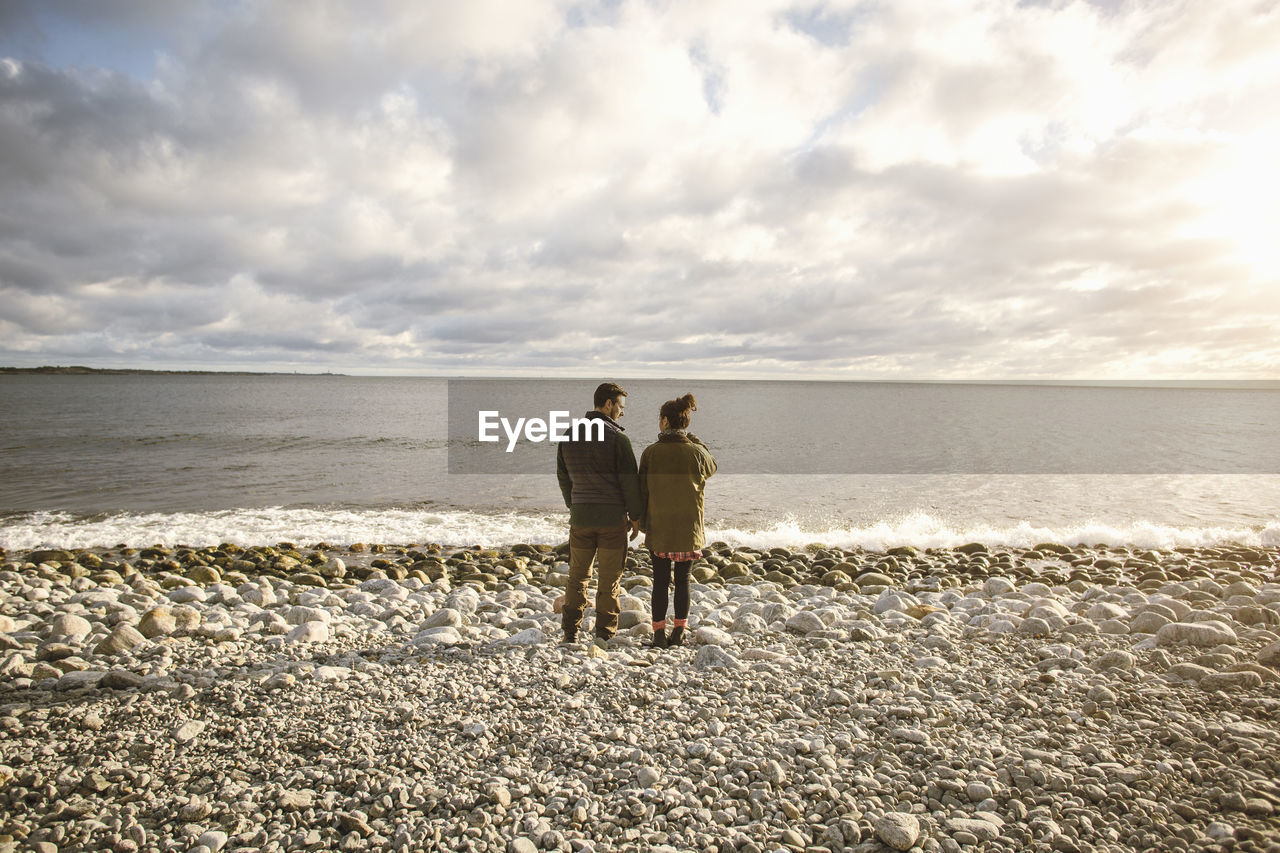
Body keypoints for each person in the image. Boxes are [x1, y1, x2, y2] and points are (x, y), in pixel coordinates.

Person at [556, 382, 644, 646]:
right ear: (608, 404)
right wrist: (636, 517)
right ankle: (604, 633)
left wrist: (574, 506)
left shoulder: (569, 435)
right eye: (620, 406)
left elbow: (563, 478)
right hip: (611, 520)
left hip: (581, 518)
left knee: (577, 577)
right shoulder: (618, 439)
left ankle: (570, 632)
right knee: (608, 579)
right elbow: (630, 482)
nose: (622, 412)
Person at [638, 393, 716, 648]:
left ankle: (659, 634)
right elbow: (712, 466)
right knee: (683, 581)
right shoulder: (696, 452)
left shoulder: (651, 453)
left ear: (663, 422)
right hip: (689, 528)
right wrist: (692, 438)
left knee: (660, 582)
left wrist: (638, 521)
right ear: (685, 423)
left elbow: (642, 490)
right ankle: (679, 633)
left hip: (660, 526)